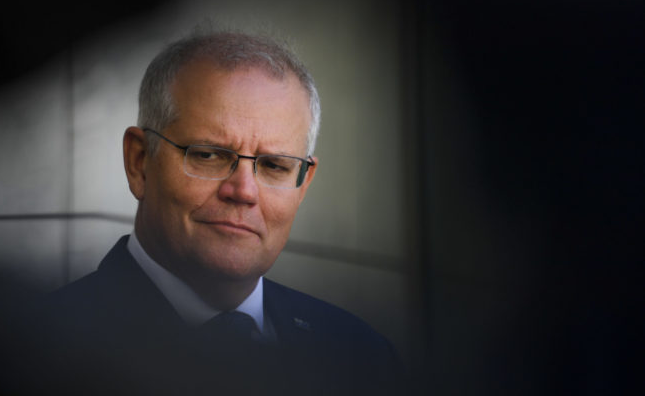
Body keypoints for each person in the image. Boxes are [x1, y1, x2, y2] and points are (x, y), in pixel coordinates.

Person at [47, 29, 401, 395]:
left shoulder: (362, 358)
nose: (244, 191)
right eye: (208, 155)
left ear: (302, 185)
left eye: (274, 166)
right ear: (139, 163)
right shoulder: (34, 352)